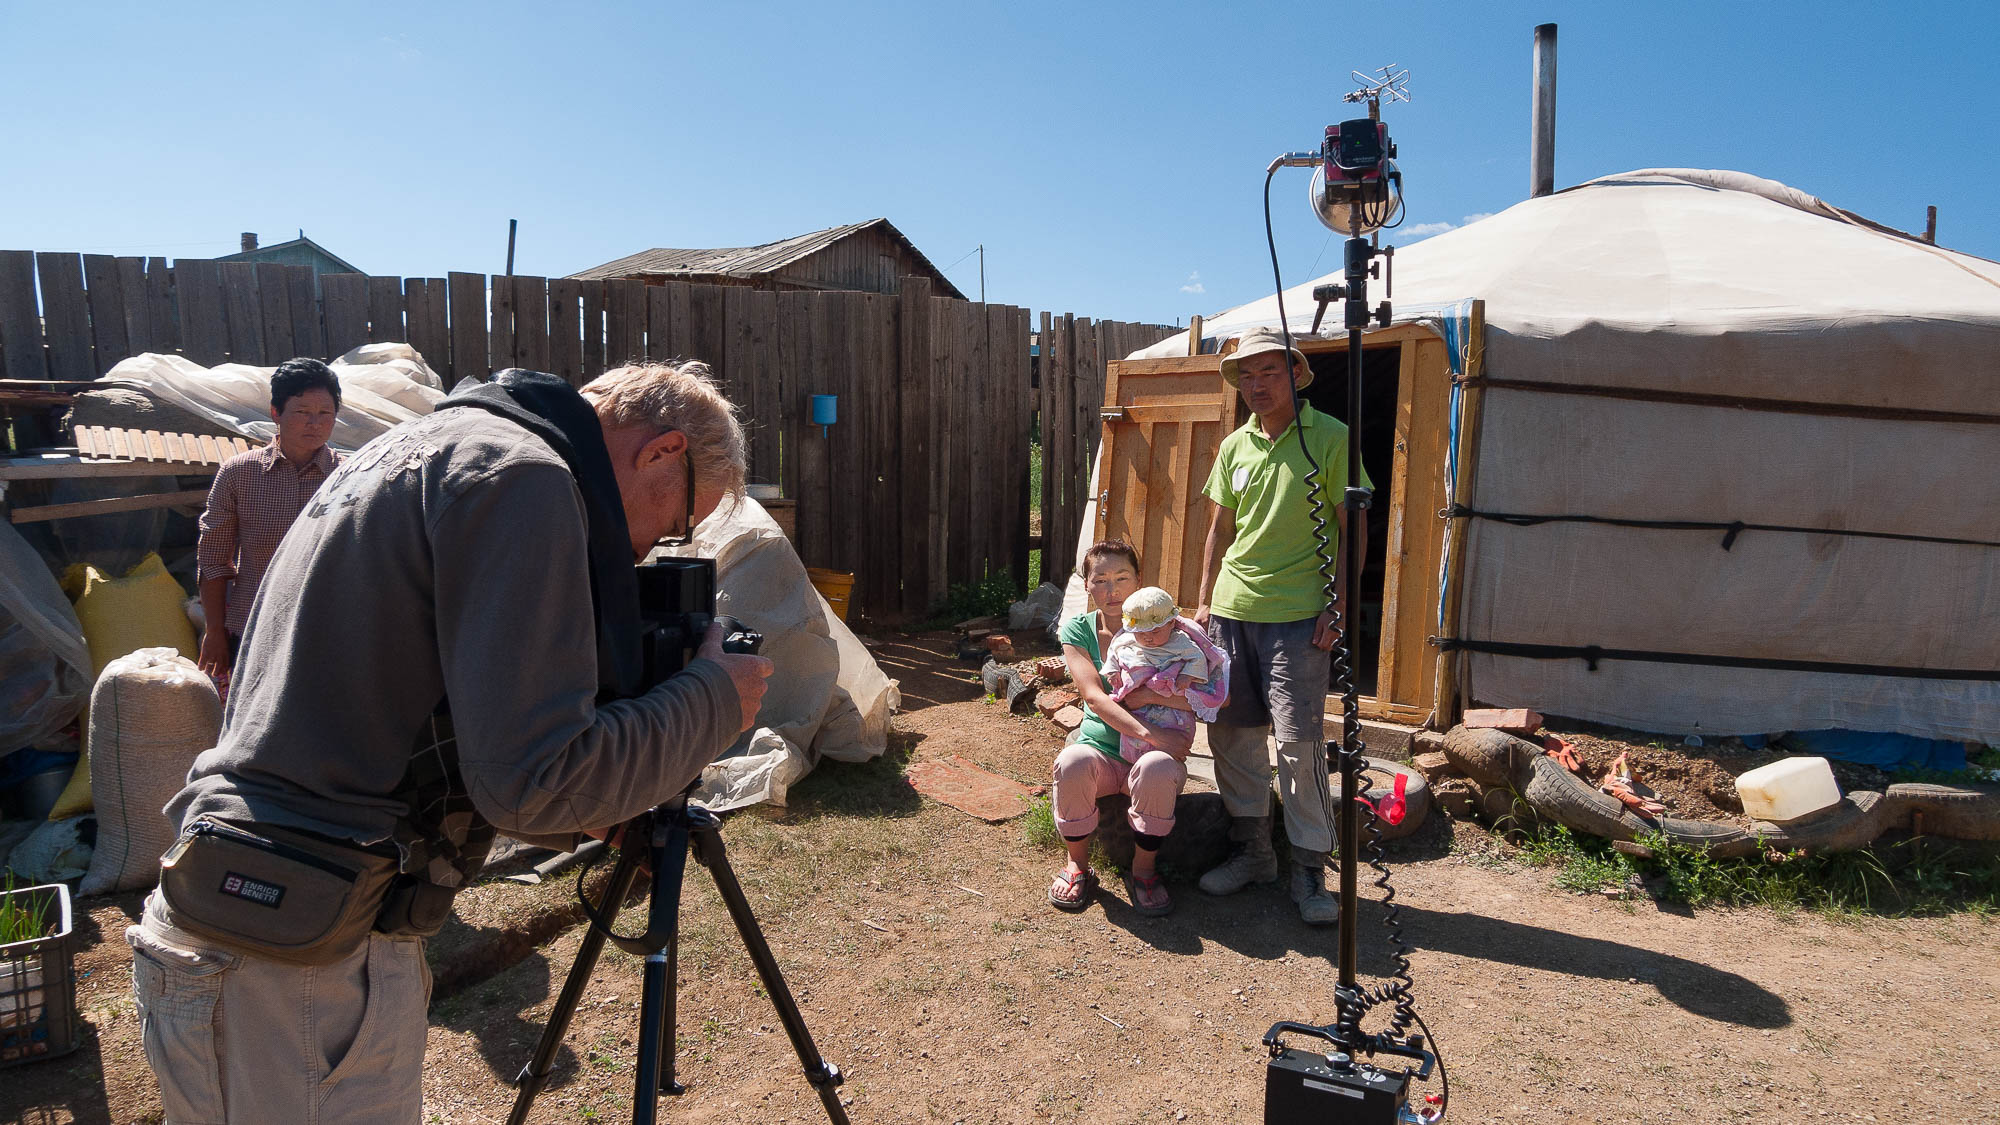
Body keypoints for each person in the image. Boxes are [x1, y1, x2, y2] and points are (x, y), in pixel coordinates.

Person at [129, 361, 773, 1124]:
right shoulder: (525, 477)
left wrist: (598, 789)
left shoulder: (419, 448)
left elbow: (455, 741)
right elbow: (535, 781)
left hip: (254, 925)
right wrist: (712, 696)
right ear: (663, 451)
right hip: (292, 963)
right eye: (673, 524)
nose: (647, 550)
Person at [1193, 330, 1371, 927]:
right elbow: (1219, 530)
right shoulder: (1234, 447)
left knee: (1298, 744)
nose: (1256, 385)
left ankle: (1310, 869)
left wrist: (1339, 604)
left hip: (1299, 614)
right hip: (1231, 610)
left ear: (1295, 375)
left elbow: (1354, 528)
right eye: (1246, 376)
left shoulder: (1332, 437)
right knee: (1233, 737)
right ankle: (1254, 853)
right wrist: (1202, 603)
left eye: (1269, 371)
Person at [1049, 541, 1228, 917]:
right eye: (1100, 580)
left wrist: (1148, 698)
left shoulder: (1178, 631)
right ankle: (1077, 866)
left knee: (1157, 768)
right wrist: (1151, 732)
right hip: (1103, 749)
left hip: (1156, 754)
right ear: (1087, 585)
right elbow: (1096, 699)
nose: (1112, 591)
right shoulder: (1078, 630)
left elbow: (1216, 696)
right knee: (1072, 761)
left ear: (1139, 582)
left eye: (1121, 578)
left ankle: (1143, 871)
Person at [194, 357, 346, 686]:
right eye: (302, 412)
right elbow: (214, 560)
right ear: (276, 413)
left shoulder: (350, 476)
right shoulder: (238, 474)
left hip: (327, 631)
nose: (315, 424)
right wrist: (215, 632)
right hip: (252, 628)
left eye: (325, 414)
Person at [1098, 586, 1210, 762]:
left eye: (1155, 631)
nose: (1148, 638)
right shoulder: (1126, 639)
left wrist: (1187, 675)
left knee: (1172, 732)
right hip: (1137, 707)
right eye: (1140, 633)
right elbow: (1113, 651)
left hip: (1171, 706)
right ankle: (1134, 759)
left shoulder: (1180, 641)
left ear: (1171, 623)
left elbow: (1197, 658)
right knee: (1136, 737)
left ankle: (1163, 761)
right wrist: (1112, 670)